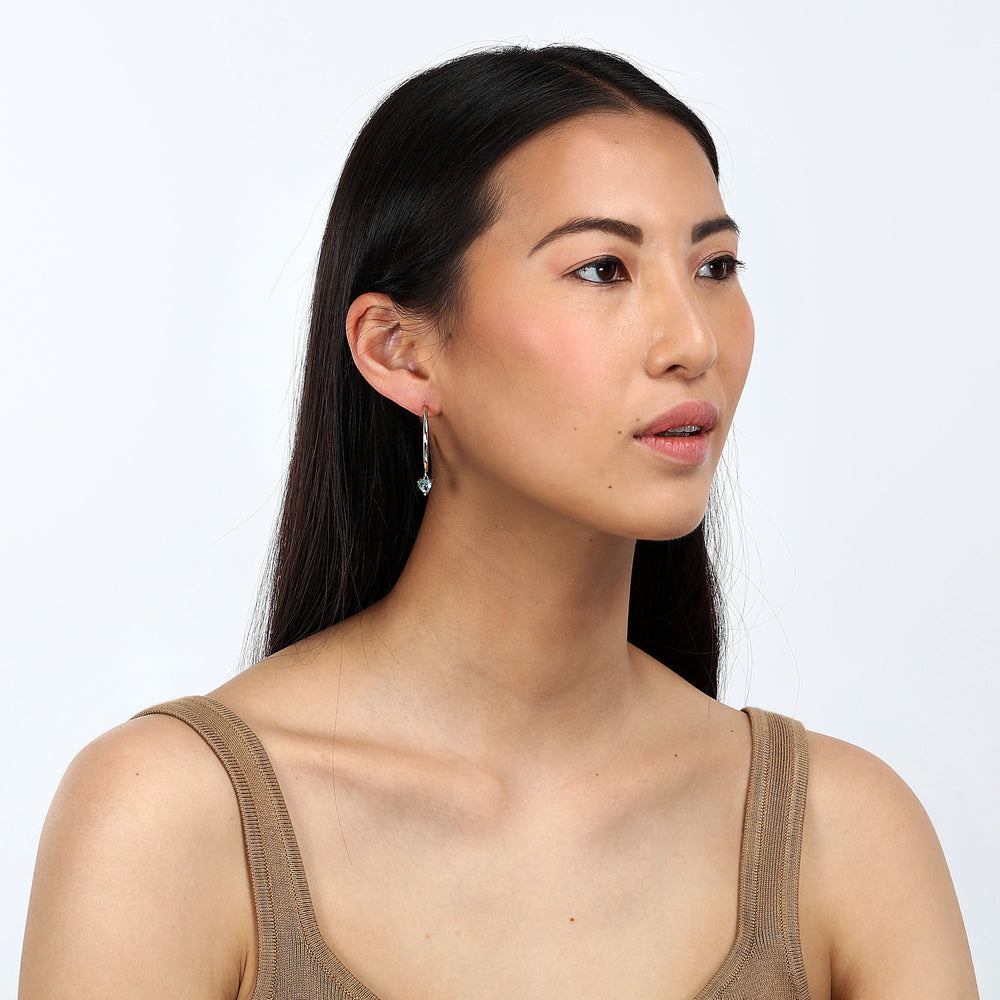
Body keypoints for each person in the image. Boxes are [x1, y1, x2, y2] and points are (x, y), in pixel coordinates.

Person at [19, 44, 978, 1000]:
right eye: (602, 269)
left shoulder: (845, 838)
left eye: (716, 265)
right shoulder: (173, 820)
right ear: (400, 351)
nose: (694, 341)